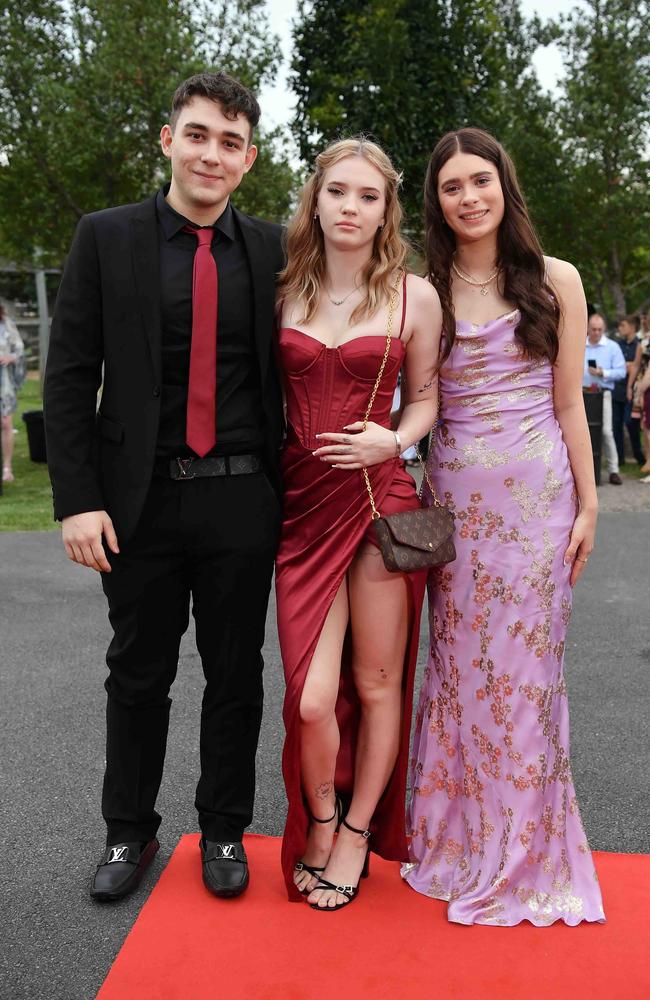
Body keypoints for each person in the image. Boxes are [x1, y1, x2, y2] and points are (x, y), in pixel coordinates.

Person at [43, 73, 284, 902]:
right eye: (197, 134)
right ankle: (127, 834)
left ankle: (223, 827)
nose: (210, 153)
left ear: (248, 159)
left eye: (228, 141)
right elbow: (70, 376)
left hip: (242, 497)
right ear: (168, 139)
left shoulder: (277, 251)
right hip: (135, 501)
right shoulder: (105, 238)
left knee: (237, 675)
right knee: (137, 675)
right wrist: (76, 499)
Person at [403, 127, 605, 926]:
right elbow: (421, 405)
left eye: (480, 180)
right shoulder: (425, 289)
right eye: (452, 187)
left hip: (538, 506)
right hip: (454, 508)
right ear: (438, 202)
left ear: (503, 186)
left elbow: (568, 406)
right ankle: (456, 838)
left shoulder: (556, 280)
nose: (469, 197)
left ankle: (527, 852)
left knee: (525, 680)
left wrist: (589, 505)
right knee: (460, 675)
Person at [275, 138, 441, 909]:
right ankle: (318, 815)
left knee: (378, 685)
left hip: (380, 504)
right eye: (337, 191)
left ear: (386, 210)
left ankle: (357, 832)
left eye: (367, 196)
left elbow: (428, 398)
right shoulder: (282, 289)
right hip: (303, 511)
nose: (350, 207)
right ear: (316, 199)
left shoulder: (415, 296)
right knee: (310, 697)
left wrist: (398, 438)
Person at [583, 313, 626, 484]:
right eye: (593, 329)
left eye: (599, 329)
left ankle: (613, 469)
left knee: (607, 431)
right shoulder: (579, 344)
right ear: (588, 328)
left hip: (603, 393)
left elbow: (621, 372)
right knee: (582, 432)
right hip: (581, 393)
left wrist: (603, 372)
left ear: (604, 329)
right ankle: (585, 472)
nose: (596, 333)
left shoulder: (612, 347)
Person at [613, 314, 644, 467]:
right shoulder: (618, 345)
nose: (620, 328)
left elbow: (637, 366)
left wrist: (629, 365)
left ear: (632, 327)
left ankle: (639, 456)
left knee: (630, 423)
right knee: (616, 425)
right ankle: (620, 459)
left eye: (623, 325)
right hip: (617, 389)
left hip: (631, 390)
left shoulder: (640, 345)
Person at [0, 303, 25, 483]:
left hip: (3, 381)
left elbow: (19, 348)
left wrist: (9, 357)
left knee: (6, 422)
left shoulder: (6, 323)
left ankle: (7, 468)